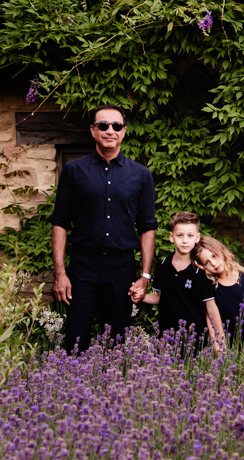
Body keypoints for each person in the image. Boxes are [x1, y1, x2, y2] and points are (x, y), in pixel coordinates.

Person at [50, 105, 156, 353]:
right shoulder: (73, 171)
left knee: (118, 339)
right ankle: (73, 387)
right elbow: (60, 222)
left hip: (122, 267)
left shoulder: (141, 175)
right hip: (82, 266)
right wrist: (60, 273)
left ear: (124, 131)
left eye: (116, 126)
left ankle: (114, 389)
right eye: (103, 125)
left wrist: (145, 276)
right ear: (93, 130)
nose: (110, 130)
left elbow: (147, 227)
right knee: (76, 338)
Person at [142, 212, 226, 354]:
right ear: (171, 237)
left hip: (196, 340)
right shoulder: (162, 266)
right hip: (166, 339)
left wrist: (220, 342)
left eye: (190, 236)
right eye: (180, 235)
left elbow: (211, 309)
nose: (185, 241)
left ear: (197, 238)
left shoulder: (202, 271)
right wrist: (141, 296)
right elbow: (160, 298)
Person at [191, 236, 244, 344]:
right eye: (206, 262)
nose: (213, 263)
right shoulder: (210, 287)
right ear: (203, 267)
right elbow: (210, 318)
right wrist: (217, 345)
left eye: (214, 256)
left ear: (221, 251)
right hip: (227, 344)